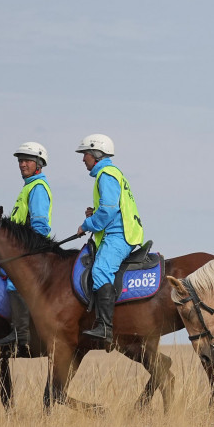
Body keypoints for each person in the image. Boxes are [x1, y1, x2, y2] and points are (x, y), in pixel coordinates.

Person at [75, 133, 145, 343]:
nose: (83, 159)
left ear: (96, 154)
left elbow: (108, 211)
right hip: (116, 232)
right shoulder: (109, 173)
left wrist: (86, 225)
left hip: (119, 235)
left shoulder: (106, 174)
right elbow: (108, 209)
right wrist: (94, 213)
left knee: (100, 270)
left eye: (85, 154)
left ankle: (105, 327)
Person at [0, 141, 52, 352]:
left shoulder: (37, 188)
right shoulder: (28, 187)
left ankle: (21, 334)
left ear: (38, 163)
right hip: (20, 250)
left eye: (27, 160)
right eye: (20, 161)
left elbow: (39, 226)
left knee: (14, 283)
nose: (22, 164)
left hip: (30, 251)